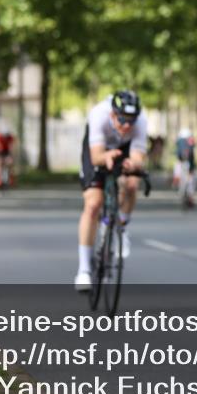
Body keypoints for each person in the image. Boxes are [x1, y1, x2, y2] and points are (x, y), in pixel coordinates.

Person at [75, 90, 148, 292]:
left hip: (124, 148)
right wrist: (107, 158)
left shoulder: (140, 121)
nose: (126, 125)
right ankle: (84, 269)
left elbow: (138, 157)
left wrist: (131, 165)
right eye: (122, 120)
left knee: (132, 184)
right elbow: (97, 156)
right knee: (93, 204)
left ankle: (121, 227)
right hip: (98, 149)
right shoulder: (99, 114)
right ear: (112, 115)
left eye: (131, 121)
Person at [173, 128, 197, 207]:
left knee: (188, 181)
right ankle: (188, 196)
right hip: (185, 163)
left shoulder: (180, 141)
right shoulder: (189, 141)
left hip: (183, 163)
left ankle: (187, 196)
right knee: (190, 181)